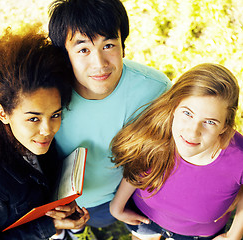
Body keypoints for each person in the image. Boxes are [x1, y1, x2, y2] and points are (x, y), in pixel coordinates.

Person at [48, 0, 172, 239]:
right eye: (83, 50)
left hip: (125, 192)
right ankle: (75, 230)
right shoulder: (46, 91)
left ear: (123, 44)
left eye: (108, 45)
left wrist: (119, 203)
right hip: (62, 199)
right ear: (65, 54)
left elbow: (158, 155)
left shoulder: (155, 90)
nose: (99, 64)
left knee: (145, 228)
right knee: (73, 225)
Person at [0, 28, 89, 240]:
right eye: (33, 118)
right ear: (3, 113)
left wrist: (62, 206)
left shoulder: (27, 138)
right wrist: (49, 226)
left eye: (55, 114)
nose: (48, 130)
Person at [110, 63, 243, 240]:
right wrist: (117, 206)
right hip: (145, 219)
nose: (192, 132)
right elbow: (136, 170)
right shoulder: (156, 134)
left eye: (210, 122)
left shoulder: (238, 158)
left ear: (225, 127)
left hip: (196, 235)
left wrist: (234, 235)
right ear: (174, 107)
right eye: (187, 113)